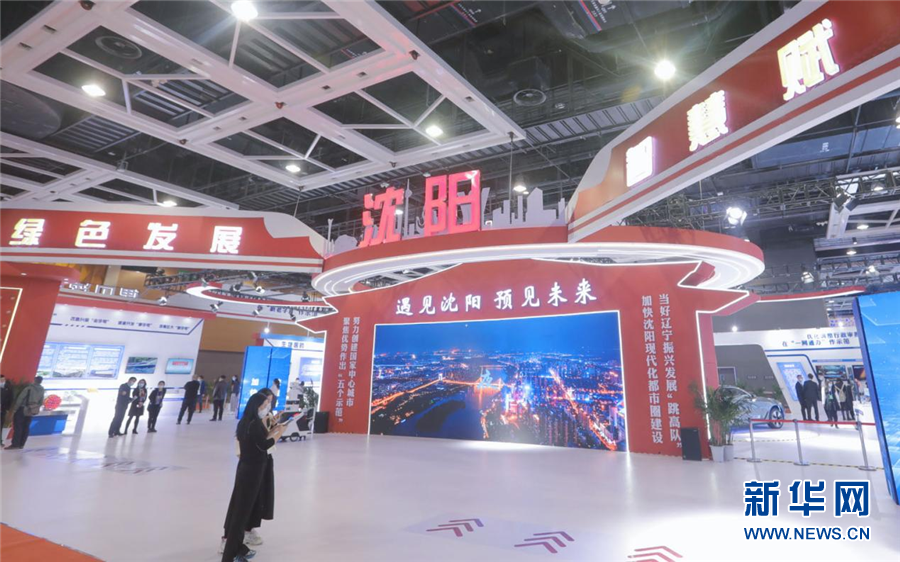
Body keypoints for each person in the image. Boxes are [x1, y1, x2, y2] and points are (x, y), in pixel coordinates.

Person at [220, 391, 286, 562]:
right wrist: (279, 433)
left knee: (242, 512)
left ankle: (238, 548)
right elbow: (263, 445)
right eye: (264, 405)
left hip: (248, 470)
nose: (267, 408)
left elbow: (258, 440)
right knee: (240, 515)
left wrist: (274, 428)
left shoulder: (247, 422)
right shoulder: (253, 424)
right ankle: (230, 555)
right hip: (251, 472)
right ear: (256, 406)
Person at [6, 376, 44, 450]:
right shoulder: (42, 390)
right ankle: (22, 444)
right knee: (26, 427)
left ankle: (15, 444)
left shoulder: (28, 388)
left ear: (35, 380)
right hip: (31, 411)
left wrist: (15, 409)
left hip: (22, 409)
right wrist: (34, 407)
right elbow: (41, 402)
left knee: (18, 427)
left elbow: (20, 399)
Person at [0, 375, 12, 448]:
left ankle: (0, 441)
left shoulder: (8, 388)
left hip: (3, 409)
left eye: (3, 380)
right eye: (1, 380)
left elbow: (10, 398)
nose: (2, 381)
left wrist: (8, 408)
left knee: (1, 425)